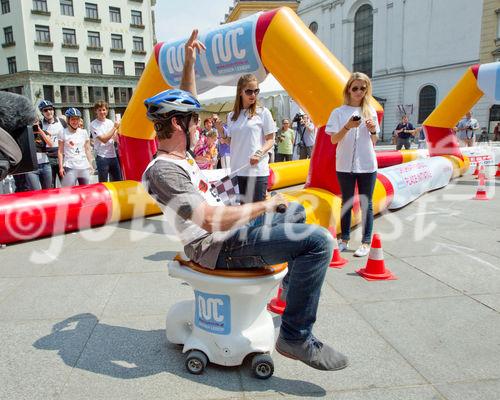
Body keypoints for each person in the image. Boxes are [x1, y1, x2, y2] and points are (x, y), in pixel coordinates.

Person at [142, 30, 349, 372]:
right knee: (318, 242)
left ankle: (288, 292)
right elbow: (208, 220)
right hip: (215, 245)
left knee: (295, 210)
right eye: (195, 121)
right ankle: (296, 335)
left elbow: (186, 98)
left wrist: (190, 62)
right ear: (180, 124)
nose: (202, 127)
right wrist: (266, 204)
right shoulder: (163, 171)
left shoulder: (179, 151)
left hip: (229, 233)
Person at [326, 72, 380, 258]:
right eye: (355, 88)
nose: (358, 92)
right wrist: (348, 126)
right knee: (346, 202)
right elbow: (333, 139)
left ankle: (366, 242)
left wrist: (373, 130)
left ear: (367, 90)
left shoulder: (370, 110)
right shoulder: (338, 112)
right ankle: (344, 239)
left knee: (367, 203)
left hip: (367, 164)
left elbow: (375, 140)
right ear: (348, 89)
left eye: (363, 88)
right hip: (344, 164)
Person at [215, 74, 276, 203]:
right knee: (244, 214)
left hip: (256, 171)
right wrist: (220, 130)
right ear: (240, 92)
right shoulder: (232, 116)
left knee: (257, 215)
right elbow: (231, 141)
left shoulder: (263, 112)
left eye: (256, 91)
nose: (253, 94)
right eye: (249, 91)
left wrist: (259, 153)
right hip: (238, 170)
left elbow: (271, 139)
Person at [58, 108, 94, 187]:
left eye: (77, 119)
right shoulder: (62, 132)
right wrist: (61, 167)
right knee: (70, 190)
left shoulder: (83, 132)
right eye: (73, 119)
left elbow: (87, 149)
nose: (75, 122)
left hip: (83, 166)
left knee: (85, 189)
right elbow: (60, 151)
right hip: (69, 166)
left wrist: (90, 164)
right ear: (68, 120)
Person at [89, 101, 122, 182]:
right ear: (96, 111)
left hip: (113, 156)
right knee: (103, 182)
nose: (102, 112)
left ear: (107, 111)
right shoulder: (93, 124)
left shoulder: (110, 122)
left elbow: (114, 138)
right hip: (102, 157)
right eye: (99, 110)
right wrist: (114, 128)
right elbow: (104, 139)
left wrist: (119, 131)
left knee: (118, 181)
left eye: (103, 110)